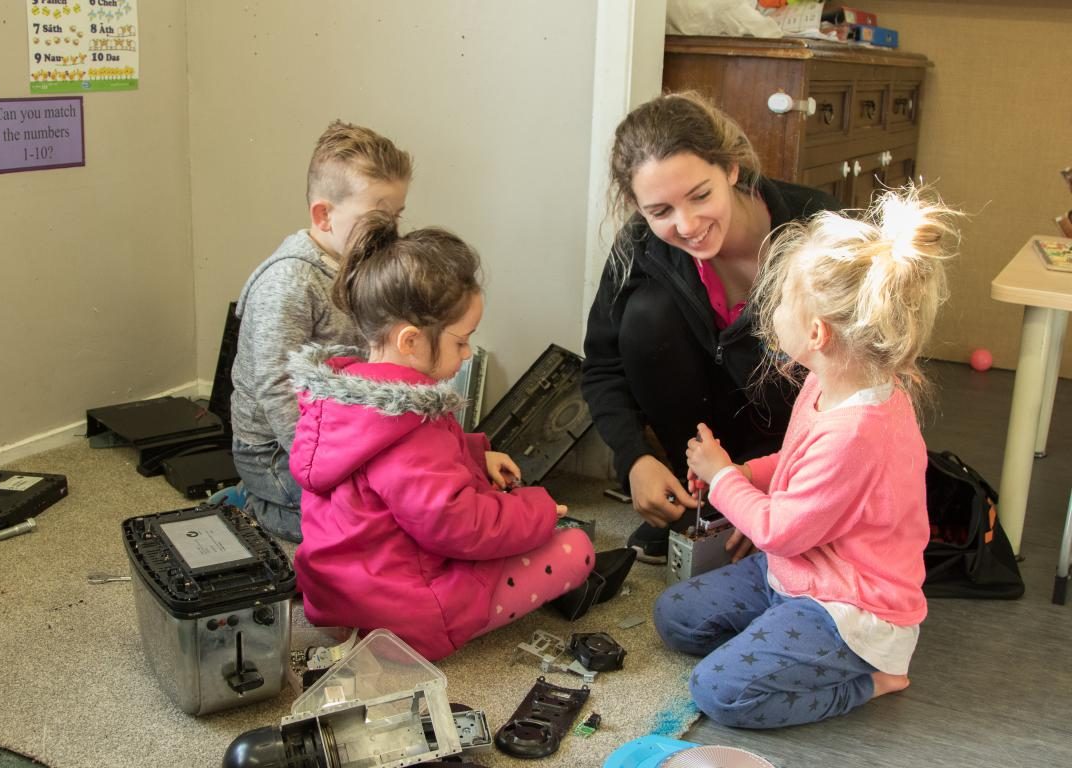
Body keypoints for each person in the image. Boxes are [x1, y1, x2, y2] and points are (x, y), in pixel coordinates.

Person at [655, 186, 959, 728]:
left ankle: (873, 678)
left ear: (817, 333)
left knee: (718, 692)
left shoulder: (859, 432)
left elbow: (780, 531)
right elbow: (799, 461)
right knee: (675, 617)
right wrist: (749, 472)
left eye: (780, 306)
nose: (768, 315)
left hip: (848, 607)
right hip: (794, 574)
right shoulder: (829, 381)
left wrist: (723, 477)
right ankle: (785, 640)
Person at [285, 211, 596, 661]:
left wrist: (476, 456)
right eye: (461, 341)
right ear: (410, 341)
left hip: (335, 599)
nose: (468, 353)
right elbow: (459, 526)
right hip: (403, 617)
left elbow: (395, 476)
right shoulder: (412, 423)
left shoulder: (350, 399)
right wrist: (538, 510)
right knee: (574, 548)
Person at [581, 90, 842, 564]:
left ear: (732, 169)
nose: (687, 225)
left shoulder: (820, 227)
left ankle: (769, 507)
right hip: (703, 445)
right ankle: (696, 501)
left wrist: (775, 489)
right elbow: (602, 367)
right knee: (645, 315)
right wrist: (634, 459)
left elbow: (867, 385)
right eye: (660, 212)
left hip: (794, 449)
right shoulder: (640, 244)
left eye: (700, 195)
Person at [228, 121, 412, 541]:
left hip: (340, 432)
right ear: (324, 215)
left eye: (397, 216)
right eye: (378, 218)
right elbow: (277, 388)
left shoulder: (361, 265)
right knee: (370, 526)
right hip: (276, 450)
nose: (392, 232)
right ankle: (257, 505)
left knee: (414, 498)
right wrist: (319, 465)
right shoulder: (289, 283)